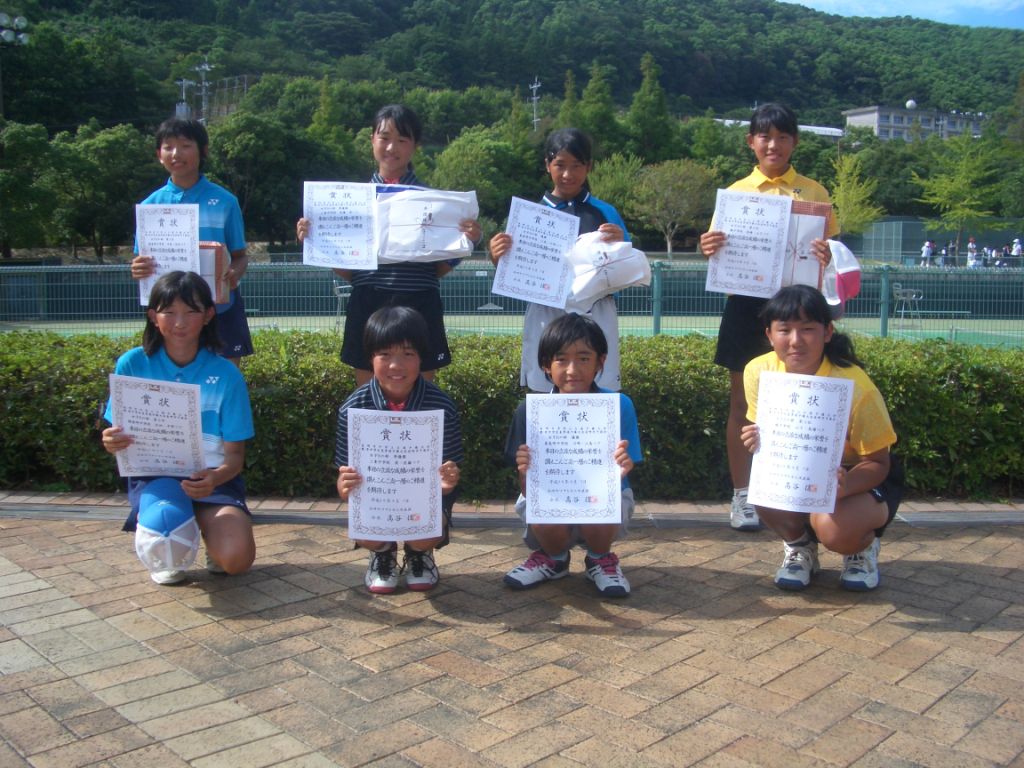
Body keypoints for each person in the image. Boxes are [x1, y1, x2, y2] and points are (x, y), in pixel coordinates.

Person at [699, 103, 838, 532]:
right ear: (751, 142)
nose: (773, 144)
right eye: (764, 136)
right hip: (746, 307)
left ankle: (796, 491)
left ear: (794, 142)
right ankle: (743, 494)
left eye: (782, 137)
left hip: (799, 310)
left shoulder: (815, 193)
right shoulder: (735, 193)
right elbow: (719, 254)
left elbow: (833, 257)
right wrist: (709, 248)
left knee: (801, 401)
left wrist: (828, 254)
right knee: (742, 403)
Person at [297, 104, 481, 388]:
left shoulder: (435, 202)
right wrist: (316, 240)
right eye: (384, 138)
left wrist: (466, 242)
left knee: (423, 394)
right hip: (367, 300)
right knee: (367, 393)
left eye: (402, 140)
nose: (392, 147)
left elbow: (438, 270)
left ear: (415, 146)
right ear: (372, 139)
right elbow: (350, 273)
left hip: (420, 299)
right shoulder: (348, 202)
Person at [741, 285, 901, 592]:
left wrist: (845, 485)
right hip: (797, 468)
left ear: (827, 332)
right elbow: (766, 434)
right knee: (763, 491)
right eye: (784, 330)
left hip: (856, 476)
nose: (795, 340)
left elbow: (880, 462)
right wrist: (756, 440)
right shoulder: (758, 371)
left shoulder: (856, 386)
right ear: (769, 334)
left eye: (808, 329)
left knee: (832, 528)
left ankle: (861, 549)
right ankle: (800, 548)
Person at [101, 271, 256, 585]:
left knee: (236, 560)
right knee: (167, 538)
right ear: (153, 316)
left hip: (213, 480)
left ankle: (204, 528)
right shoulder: (132, 364)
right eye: (168, 312)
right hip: (157, 476)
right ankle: (171, 536)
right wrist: (111, 441)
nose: (180, 322)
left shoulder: (226, 374)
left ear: (208, 315)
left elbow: (235, 457)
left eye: (191, 311)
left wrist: (214, 478)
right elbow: (116, 433)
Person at [502, 313, 642, 597]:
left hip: (604, 495)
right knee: (542, 506)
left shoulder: (619, 405)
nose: (572, 370)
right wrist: (525, 473)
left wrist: (621, 469)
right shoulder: (530, 411)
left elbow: (625, 468)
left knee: (602, 501)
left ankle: (600, 559)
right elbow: (528, 490)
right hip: (552, 491)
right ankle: (553, 558)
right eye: (561, 359)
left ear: (601, 361)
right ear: (545, 365)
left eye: (584, 358)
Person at [334, 305, 464, 594]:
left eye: (408, 354)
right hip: (379, 500)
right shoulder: (353, 408)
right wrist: (344, 487)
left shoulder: (442, 406)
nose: (396, 365)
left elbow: (452, 471)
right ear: (370, 358)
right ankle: (382, 553)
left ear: (421, 358)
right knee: (364, 527)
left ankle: (420, 554)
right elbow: (344, 473)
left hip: (423, 500)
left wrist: (447, 483)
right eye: (385, 354)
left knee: (428, 530)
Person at [489, 128, 628, 393]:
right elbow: (515, 272)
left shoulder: (606, 213)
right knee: (544, 391)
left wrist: (620, 249)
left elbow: (628, 273)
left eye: (576, 166)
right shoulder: (528, 216)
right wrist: (498, 257)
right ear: (547, 164)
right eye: (560, 165)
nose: (568, 174)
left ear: (588, 166)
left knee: (599, 392)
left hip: (596, 313)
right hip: (547, 312)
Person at [131, 118, 253, 365]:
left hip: (220, 309)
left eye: (185, 145)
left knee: (225, 378)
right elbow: (140, 260)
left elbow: (240, 256)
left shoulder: (225, 201)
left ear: (203, 150)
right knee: (173, 379)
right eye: (168, 147)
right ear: (159, 155)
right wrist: (137, 268)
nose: (176, 153)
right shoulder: (150, 206)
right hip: (170, 315)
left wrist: (233, 274)